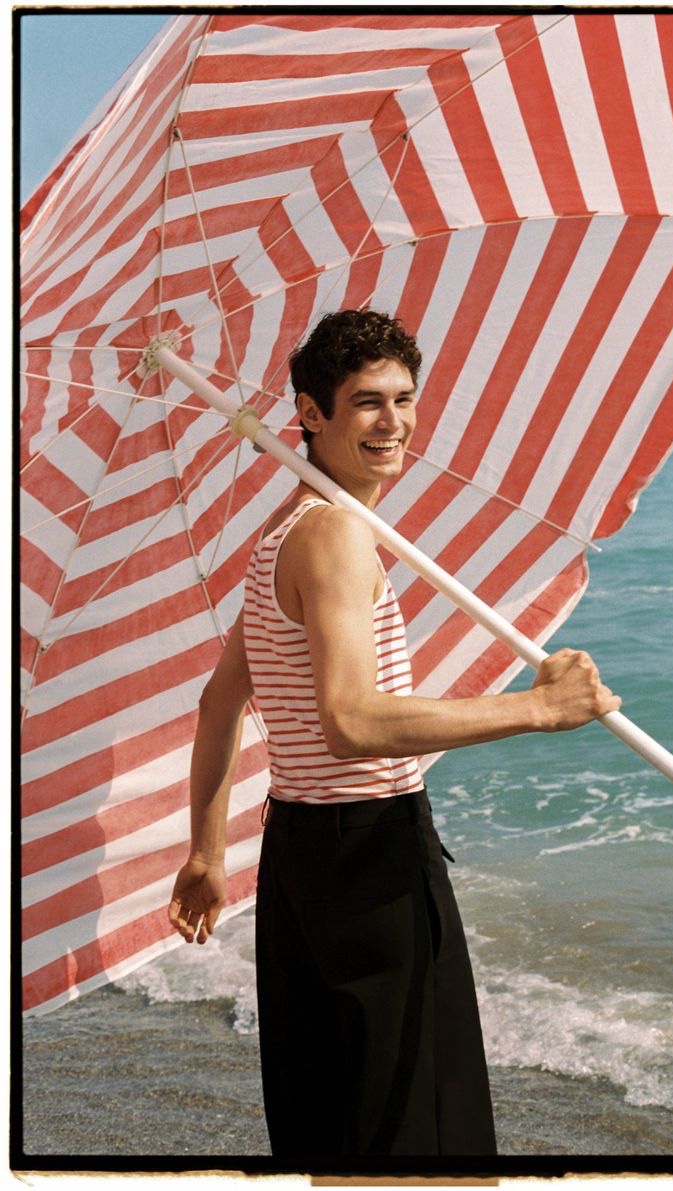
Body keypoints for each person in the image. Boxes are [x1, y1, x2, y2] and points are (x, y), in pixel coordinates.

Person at [168, 309, 621, 1158]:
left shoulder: (282, 533)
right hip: (369, 857)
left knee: (329, 1127)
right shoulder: (335, 534)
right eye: (367, 402)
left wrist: (207, 852)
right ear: (310, 413)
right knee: (420, 1137)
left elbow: (218, 703)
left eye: (404, 398)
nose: (393, 422)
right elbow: (352, 721)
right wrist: (537, 709)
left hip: (298, 858)